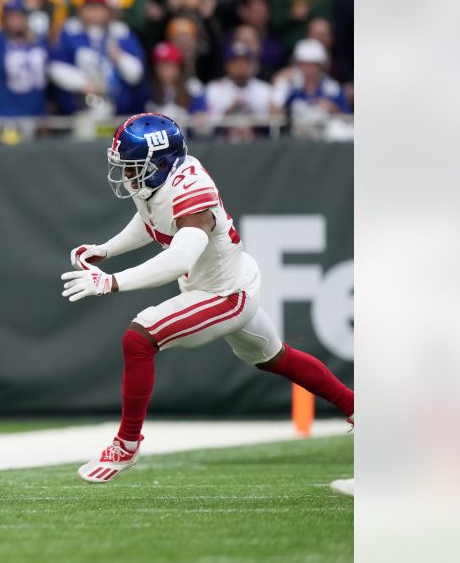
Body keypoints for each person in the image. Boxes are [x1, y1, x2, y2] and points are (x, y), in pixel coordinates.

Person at [59, 113, 354, 484]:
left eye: (134, 167)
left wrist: (112, 282)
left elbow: (179, 258)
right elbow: (152, 221)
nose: (127, 176)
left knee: (139, 338)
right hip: (225, 283)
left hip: (224, 295)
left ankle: (126, 443)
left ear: (160, 163)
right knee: (276, 358)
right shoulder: (160, 183)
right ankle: (357, 408)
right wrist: (107, 249)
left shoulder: (192, 192)